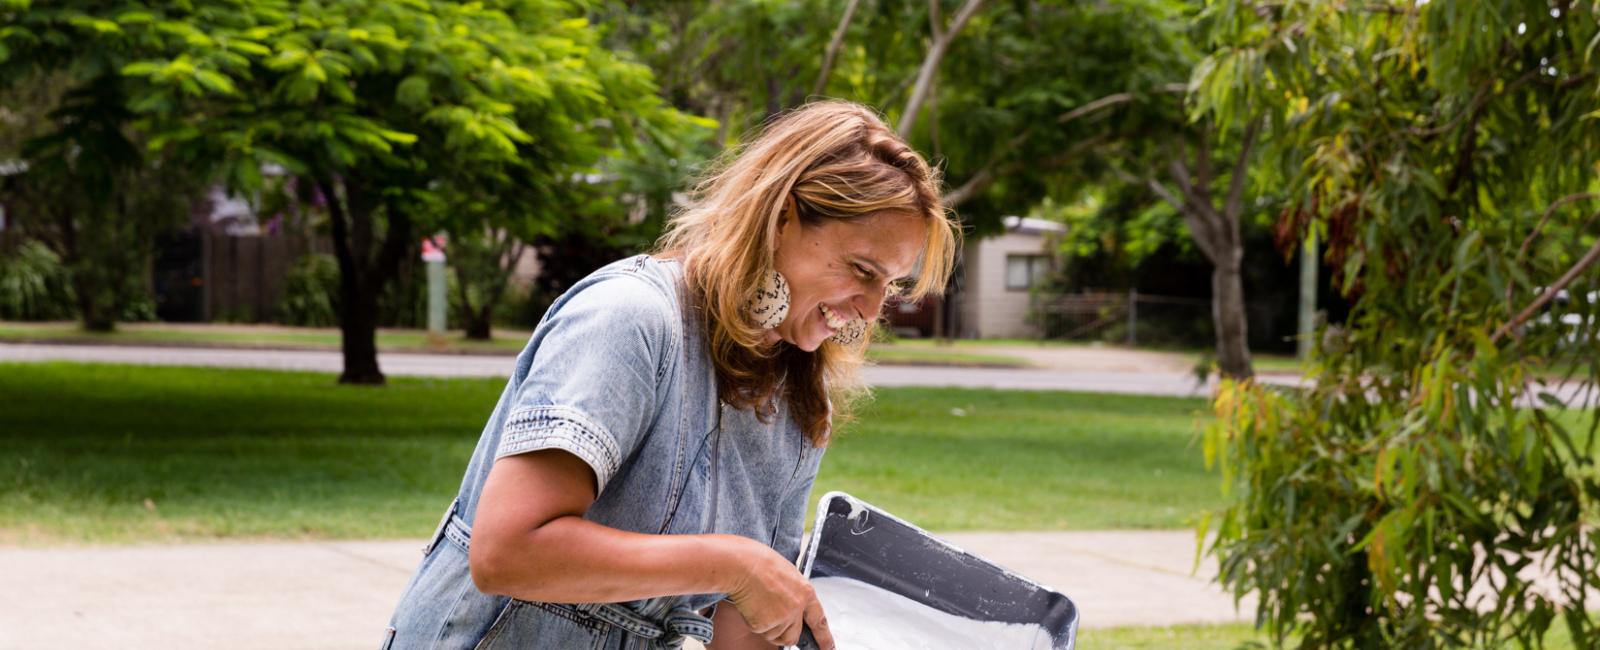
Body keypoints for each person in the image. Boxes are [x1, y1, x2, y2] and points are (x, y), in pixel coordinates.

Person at [382, 100, 959, 650]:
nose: (871, 308)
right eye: (862, 270)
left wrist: (766, 591)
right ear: (781, 217)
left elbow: (744, 620)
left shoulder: (800, 398)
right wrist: (733, 563)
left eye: (891, 285)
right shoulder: (630, 317)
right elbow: (507, 552)